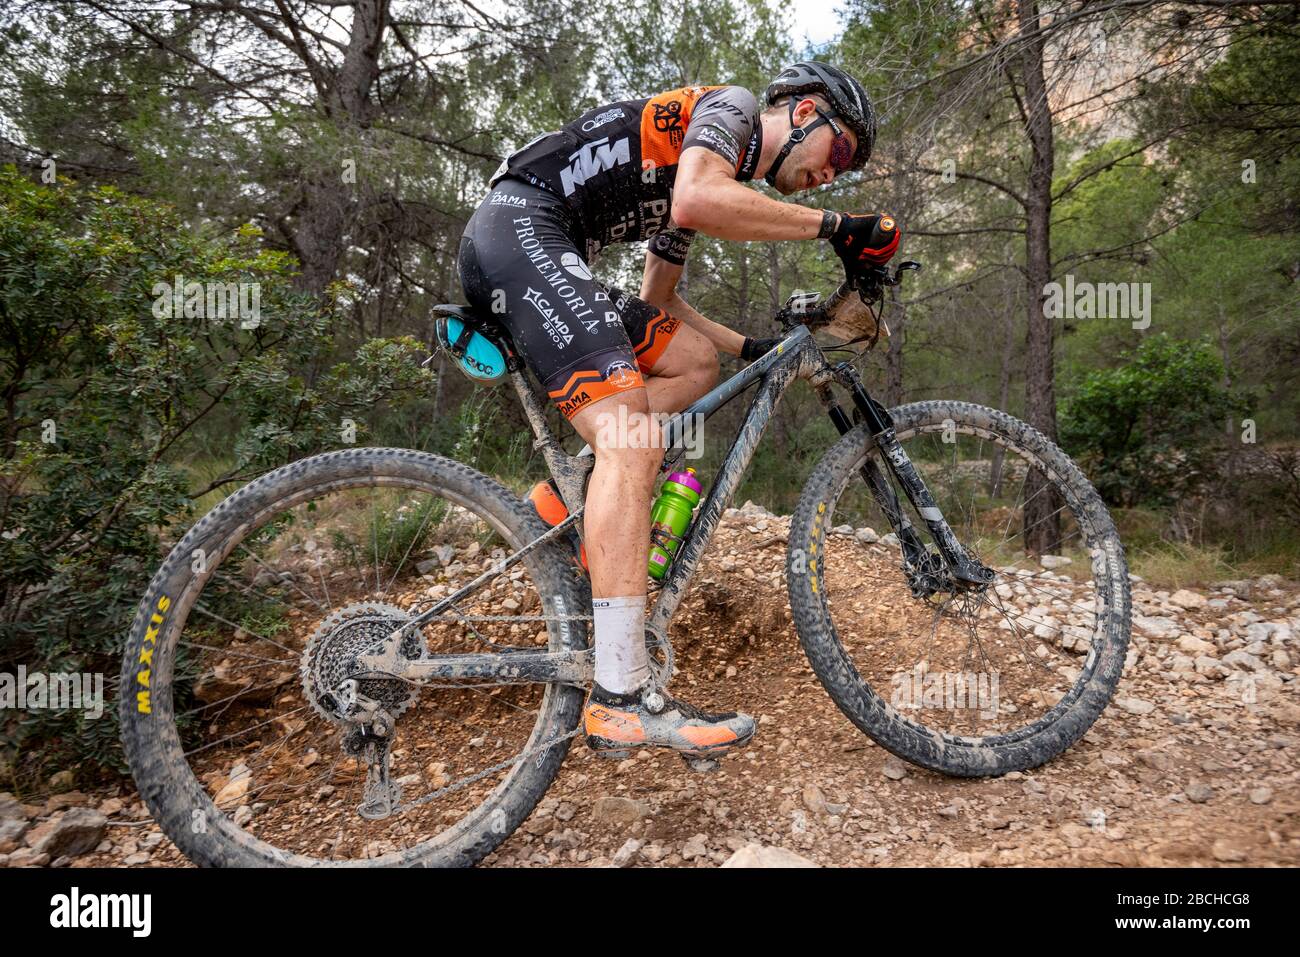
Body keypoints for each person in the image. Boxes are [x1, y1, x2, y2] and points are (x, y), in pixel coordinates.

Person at [456, 61, 901, 761]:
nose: (831, 175)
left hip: (537, 247)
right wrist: (837, 227)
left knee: (693, 360)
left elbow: (660, 297)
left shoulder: (703, 171)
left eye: (842, 173)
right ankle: (622, 698)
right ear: (804, 112)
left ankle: (565, 495)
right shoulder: (734, 110)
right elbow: (698, 200)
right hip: (523, 230)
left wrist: (748, 345)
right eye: (838, 152)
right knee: (633, 441)